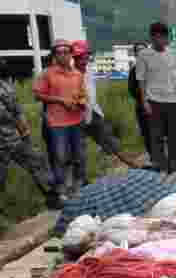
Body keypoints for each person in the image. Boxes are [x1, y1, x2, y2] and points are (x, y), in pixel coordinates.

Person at [0, 58, 62, 212]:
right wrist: (23, 131)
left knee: (37, 161)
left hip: (12, 139)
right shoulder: (5, 87)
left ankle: (53, 198)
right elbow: (12, 114)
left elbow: (16, 111)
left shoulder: (6, 87)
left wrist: (25, 133)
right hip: (8, 140)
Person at [71, 41, 137, 173]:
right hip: (76, 116)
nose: (83, 60)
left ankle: (133, 165)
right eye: (79, 57)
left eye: (84, 57)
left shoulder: (90, 71)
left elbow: (91, 94)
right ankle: (81, 180)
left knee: (111, 141)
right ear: (74, 58)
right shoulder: (70, 74)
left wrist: (96, 111)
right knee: (78, 150)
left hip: (93, 112)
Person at [135, 22, 176, 175]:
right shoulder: (143, 55)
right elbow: (141, 80)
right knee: (156, 136)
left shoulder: (174, 54)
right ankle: (160, 166)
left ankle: (173, 167)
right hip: (153, 101)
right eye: (156, 37)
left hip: (172, 101)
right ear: (152, 38)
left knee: (175, 136)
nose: (159, 41)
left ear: (166, 38)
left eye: (162, 37)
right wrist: (144, 101)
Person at [32, 39, 87, 197]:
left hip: (76, 120)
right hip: (56, 123)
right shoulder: (47, 74)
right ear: (55, 55)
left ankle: (77, 188)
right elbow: (37, 95)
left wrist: (82, 102)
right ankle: (61, 189)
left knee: (79, 155)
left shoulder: (77, 74)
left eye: (66, 52)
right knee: (60, 157)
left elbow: (83, 95)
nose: (63, 55)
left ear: (71, 54)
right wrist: (60, 100)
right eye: (59, 52)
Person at [127, 42, 153, 163]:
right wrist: (143, 95)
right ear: (135, 54)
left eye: (143, 50)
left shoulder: (154, 67)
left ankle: (162, 156)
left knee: (160, 133)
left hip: (157, 105)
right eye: (138, 51)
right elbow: (131, 89)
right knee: (146, 133)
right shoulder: (133, 70)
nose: (141, 53)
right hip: (141, 106)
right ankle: (152, 156)